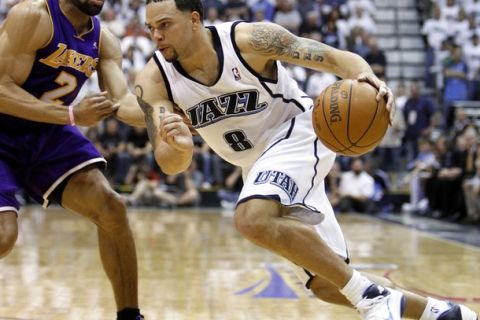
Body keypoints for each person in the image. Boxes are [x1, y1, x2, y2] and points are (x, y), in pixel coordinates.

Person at [121, 1, 478, 319]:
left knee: (251, 219)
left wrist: (367, 77)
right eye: (151, 28)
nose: (156, 35)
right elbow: (169, 163)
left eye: (165, 24)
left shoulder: (250, 40)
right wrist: (181, 148)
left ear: (194, 19)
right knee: (326, 282)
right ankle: (439, 314)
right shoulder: (154, 80)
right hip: (256, 166)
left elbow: (335, 58)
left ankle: (370, 299)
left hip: (299, 132)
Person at [0, 0, 186, 318]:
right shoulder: (33, 15)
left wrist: (164, 113)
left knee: (111, 208)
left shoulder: (104, 40)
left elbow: (121, 101)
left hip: (47, 133)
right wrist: (71, 114)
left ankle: (130, 315)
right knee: (4, 236)